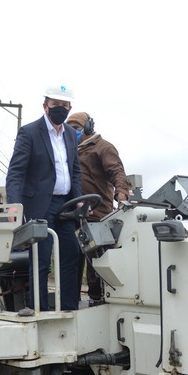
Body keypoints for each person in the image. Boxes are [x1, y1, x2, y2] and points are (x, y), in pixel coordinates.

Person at [5, 85, 83, 311]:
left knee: (71, 254)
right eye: (55, 104)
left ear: (70, 108)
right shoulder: (29, 133)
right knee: (41, 256)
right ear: (45, 106)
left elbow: (75, 170)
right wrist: (15, 207)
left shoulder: (69, 134)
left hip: (66, 205)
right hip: (40, 205)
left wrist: (78, 198)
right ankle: (39, 310)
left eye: (64, 105)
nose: (60, 108)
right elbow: (16, 172)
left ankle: (69, 308)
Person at [66, 112, 132, 304]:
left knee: (97, 263)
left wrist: (122, 192)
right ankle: (71, 302)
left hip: (97, 215)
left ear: (88, 127)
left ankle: (100, 300)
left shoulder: (103, 148)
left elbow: (117, 171)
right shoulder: (68, 151)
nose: (72, 132)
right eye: (69, 129)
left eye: (76, 128)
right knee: (70, 262)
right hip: (71, 215)